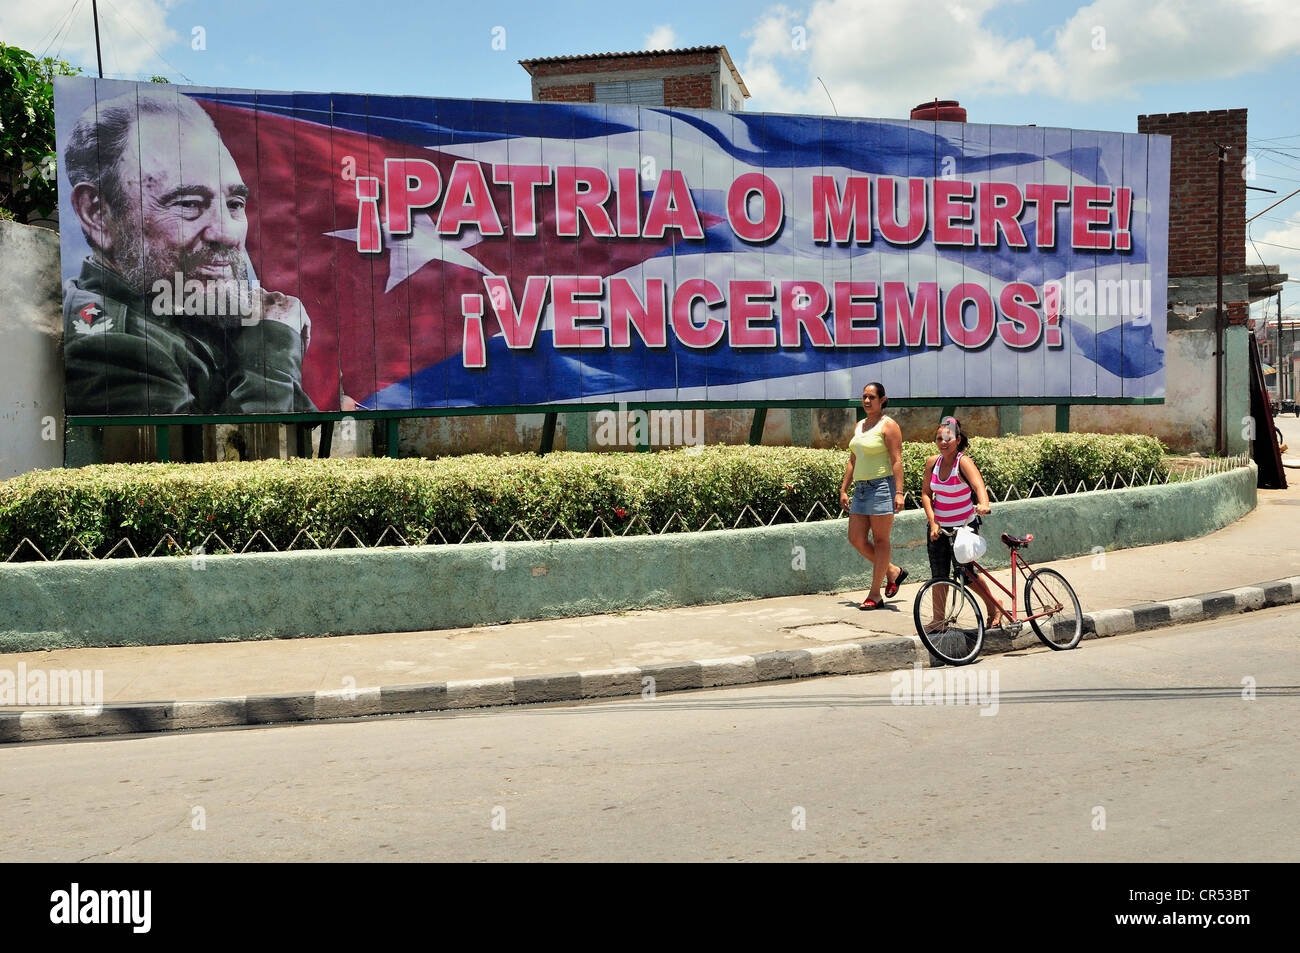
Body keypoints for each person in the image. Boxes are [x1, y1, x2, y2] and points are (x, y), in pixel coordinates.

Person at [61, 88, 316, 415]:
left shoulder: (185, 309)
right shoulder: (104, 346)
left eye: (235, 204)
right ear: (97, 213)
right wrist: (272, 353)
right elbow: (238, 462)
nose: (226, 233)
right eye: (189, 204)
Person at [919, 416, 1004, 629]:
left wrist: (984, 504)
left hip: (964, 525)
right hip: (939, 526)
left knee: (965, 572)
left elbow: (978, 486)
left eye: (948, 438)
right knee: (939, 575)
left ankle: (994, 606)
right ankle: (939, 620)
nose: (943, 442)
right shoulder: (932, 463)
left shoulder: (963, 462)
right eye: (939, 438)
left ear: (957, 439)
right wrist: (933, 522)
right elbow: (926, 494)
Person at [839, 382, 907, 609]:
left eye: (872, 397)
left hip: (882, 487)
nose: (867, 401)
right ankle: (892, 571)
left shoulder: (888, 426)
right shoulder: (859, 425)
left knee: (880, 541)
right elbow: (853, 459)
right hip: (861, 489)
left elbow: (897, 460)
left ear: (882, 400)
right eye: (864, 397)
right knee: (855, 538)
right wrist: (843, 488)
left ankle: (875, 594)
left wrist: (898, 492)